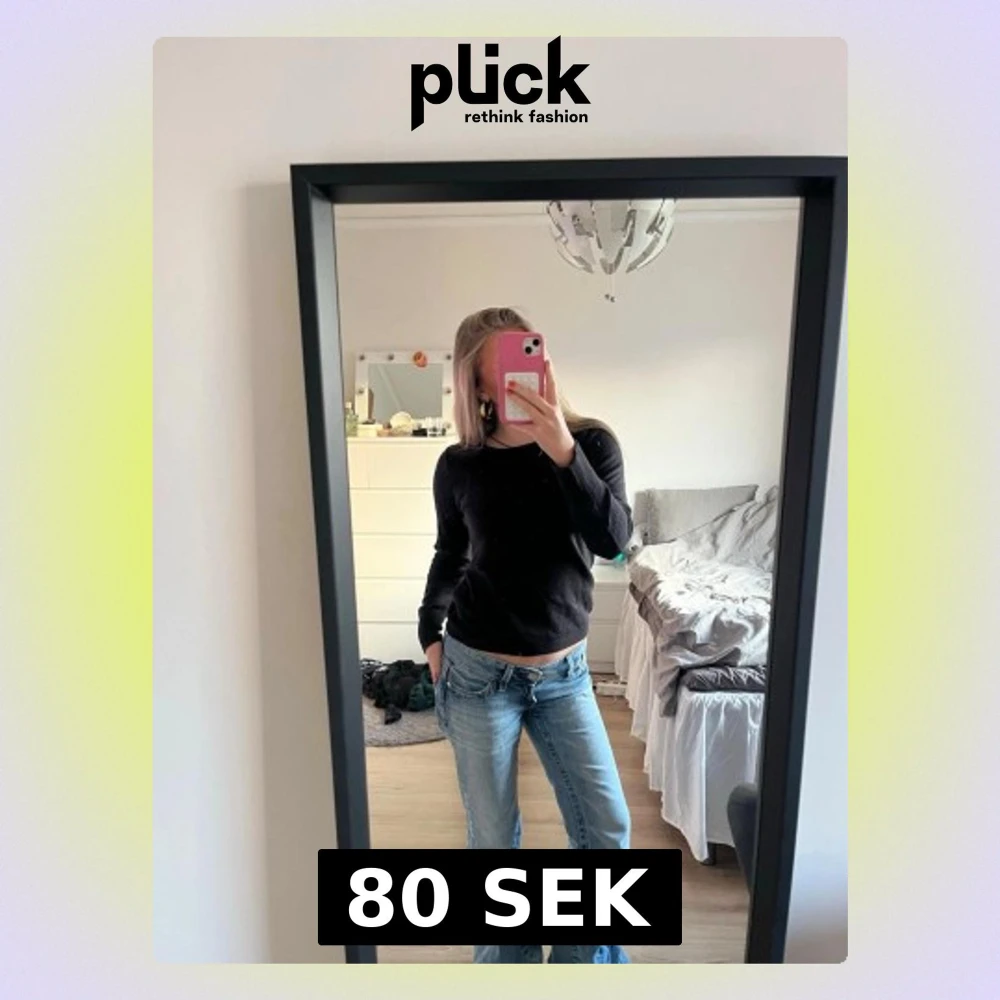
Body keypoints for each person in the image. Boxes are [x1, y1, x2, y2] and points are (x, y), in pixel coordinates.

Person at [417, 307, 633, 964]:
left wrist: (563, 451)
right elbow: (451, 554)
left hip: (565, 676)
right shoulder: (460, 464)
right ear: (479, 385)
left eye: (530, 356)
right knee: (494, 843)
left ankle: (580, 969)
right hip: (477, 673)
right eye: (504, 369)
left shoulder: (591, 444)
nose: (522, 377)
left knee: (606, 830)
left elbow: (614, 542)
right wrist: (429, 630)